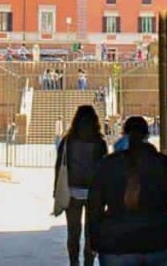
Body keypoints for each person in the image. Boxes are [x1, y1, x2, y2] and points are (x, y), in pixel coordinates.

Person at [88, 116, 167, 265]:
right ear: (147, 135)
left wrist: (94, 239)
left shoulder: (108, 165)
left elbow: (94, 206)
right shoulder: (164, 163)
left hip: (116, 242)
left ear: (124, 134)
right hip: (159, 241)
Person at [54, 106, 109, 266]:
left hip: (72, 191)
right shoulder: (99, 142)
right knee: (91, 233)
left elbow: (59, 165)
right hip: (94, 193)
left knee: (73, 232)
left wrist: (56, 189)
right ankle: (89, 263)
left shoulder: (68, 141)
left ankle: (73, 262)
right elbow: (105, 168)